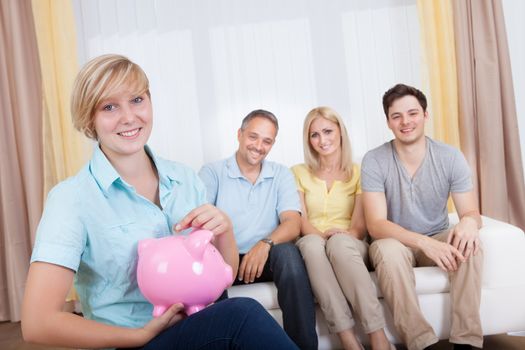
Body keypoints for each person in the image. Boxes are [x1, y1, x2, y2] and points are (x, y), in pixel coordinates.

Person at [21, 54, 298, 350]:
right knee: (242, 315)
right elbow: (38, 322)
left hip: (197, 330)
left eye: (137, 100)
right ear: (90, 118)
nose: (129, 117)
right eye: (110, 106)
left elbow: (221, 278)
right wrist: (138, 336)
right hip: (134, 342)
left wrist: (225, 230)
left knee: (235, 314)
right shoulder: (72, 199)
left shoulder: (185, 178)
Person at [361, 83, 483, 350]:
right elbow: (376, 224)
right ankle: (421, 343)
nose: (406, 122)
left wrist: (469, 223)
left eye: (413, 113)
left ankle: (467, 342)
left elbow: (471, 211)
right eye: (397, 116)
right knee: (388, 251)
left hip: (437, 235)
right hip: (393, 241)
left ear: (425, 115)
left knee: (471, 246)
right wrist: (424, 243)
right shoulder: (374, 160)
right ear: (388, 122)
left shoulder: (450, 157)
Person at [198, 109, 318, 350]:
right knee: (207, 264)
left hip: (266, 257)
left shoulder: (281, 174)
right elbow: (203, 224)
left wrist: (264, 244)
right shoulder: (212, 172)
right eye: (253, 137)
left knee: (289, 254)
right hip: (225, 259)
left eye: (267, 141)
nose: (258, 146)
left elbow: (293, 222)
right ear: (239, 134)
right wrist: (228, 256)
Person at [292, 107, 394, 350]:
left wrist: (339, 237)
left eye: (327, 131)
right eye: (314, 135)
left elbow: (359, 228)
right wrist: (320, 238)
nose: (322, 140)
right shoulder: (298, 173)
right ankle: (348, 340)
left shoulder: (360, 171)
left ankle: (378, 336)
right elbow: (300, 221)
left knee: (338, 243)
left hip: (350, 243)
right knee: (311, 244)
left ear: (340, 132)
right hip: (312, 243)